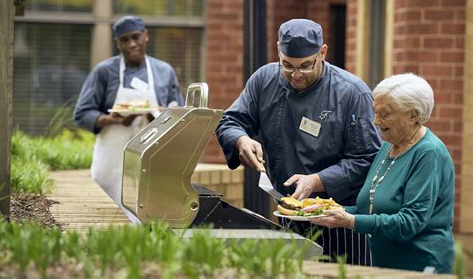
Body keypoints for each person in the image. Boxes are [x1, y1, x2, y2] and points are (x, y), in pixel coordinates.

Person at [216, 18, 381, 265]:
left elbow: (368, 159)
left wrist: (317, 181)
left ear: (323, 53)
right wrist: (240, 140)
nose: (295, 75)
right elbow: (229, 121)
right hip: (288, 213)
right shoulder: (264, 80)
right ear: (278, 50)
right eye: (287, 65)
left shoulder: (352, 94)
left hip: (340, 219)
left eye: (305, 66)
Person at [310, 73, 455, 273]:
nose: (376, 121)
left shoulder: (428, 153)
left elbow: (410, 222)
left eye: (384, 114)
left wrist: (351, 221)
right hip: (385, 264)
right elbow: (370, 208)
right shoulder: (388, 145)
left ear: (413, 115)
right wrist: (333, 211)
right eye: (375, 112)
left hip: (420, 266)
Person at [74, 15, 184, 220]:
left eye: (136, 37)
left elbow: (180, 115)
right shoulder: (104, 72)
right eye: (124, 40)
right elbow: (82, 113)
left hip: (151, 163)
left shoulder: (164, 72)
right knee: (108, 219)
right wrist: (115, 120)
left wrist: (159, 115)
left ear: (146, 36)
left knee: (147, 218)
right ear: (117, 43)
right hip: (111, 165)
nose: (132, 44)